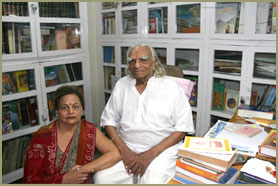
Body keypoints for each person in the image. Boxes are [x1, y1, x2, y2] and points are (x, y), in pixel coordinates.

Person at [94, 44, 195, 184]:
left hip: (161, 151)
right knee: (102, 179)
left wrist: (150, 154)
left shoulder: (170, 86)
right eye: (132, 61)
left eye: (143, 60)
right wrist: (123, 150)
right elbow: (109, 121)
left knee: (152, 182)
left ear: (153, 64)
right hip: (126, 148)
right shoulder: (122, 85)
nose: (137, 65)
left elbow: (183, 127)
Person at [23, 85, 121, 184]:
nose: (71, 111)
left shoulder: (88, 130)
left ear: (82, 109)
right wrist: (63, 180)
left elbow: (115, 154)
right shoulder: (41, 138)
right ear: (56, 111)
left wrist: (82, 170)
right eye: (64, 107)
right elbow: (29, 180)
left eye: (75, 107)